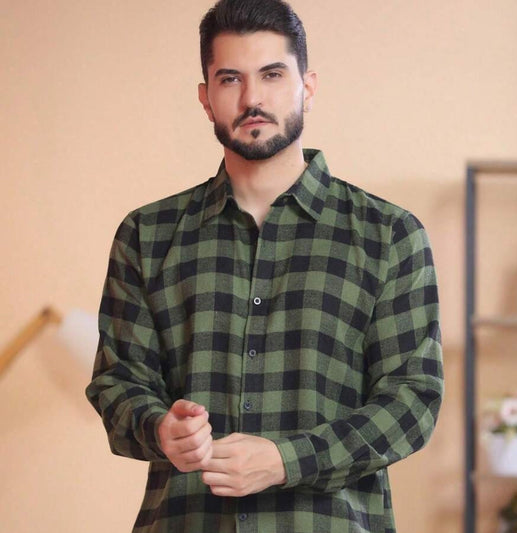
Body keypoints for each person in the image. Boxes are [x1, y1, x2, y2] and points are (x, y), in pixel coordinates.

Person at [86, 0, 444, 531]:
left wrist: (285, 460)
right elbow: (118, 381)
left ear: (308, 87)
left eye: (272, 74)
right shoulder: (147, 235)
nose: (252, 98)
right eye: (230, 79)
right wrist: (161, 428)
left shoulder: (388, 235)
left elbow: (412, 401)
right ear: (206, 99)